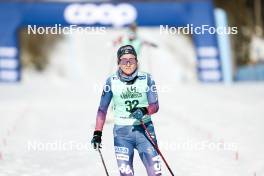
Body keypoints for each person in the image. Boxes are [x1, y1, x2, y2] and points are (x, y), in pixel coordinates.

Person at [91, 45, 162, 176]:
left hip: (145, 131)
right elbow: (102, 110)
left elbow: (155, 105)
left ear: (137, 62)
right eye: (124, 61)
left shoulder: (146, 79)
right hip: (122, 134)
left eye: (132, 60)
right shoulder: (111, 81)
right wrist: (97, 133)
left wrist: (144, 110)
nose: (128, 64)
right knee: (126, 174)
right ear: (118, 63)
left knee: (155, 173)